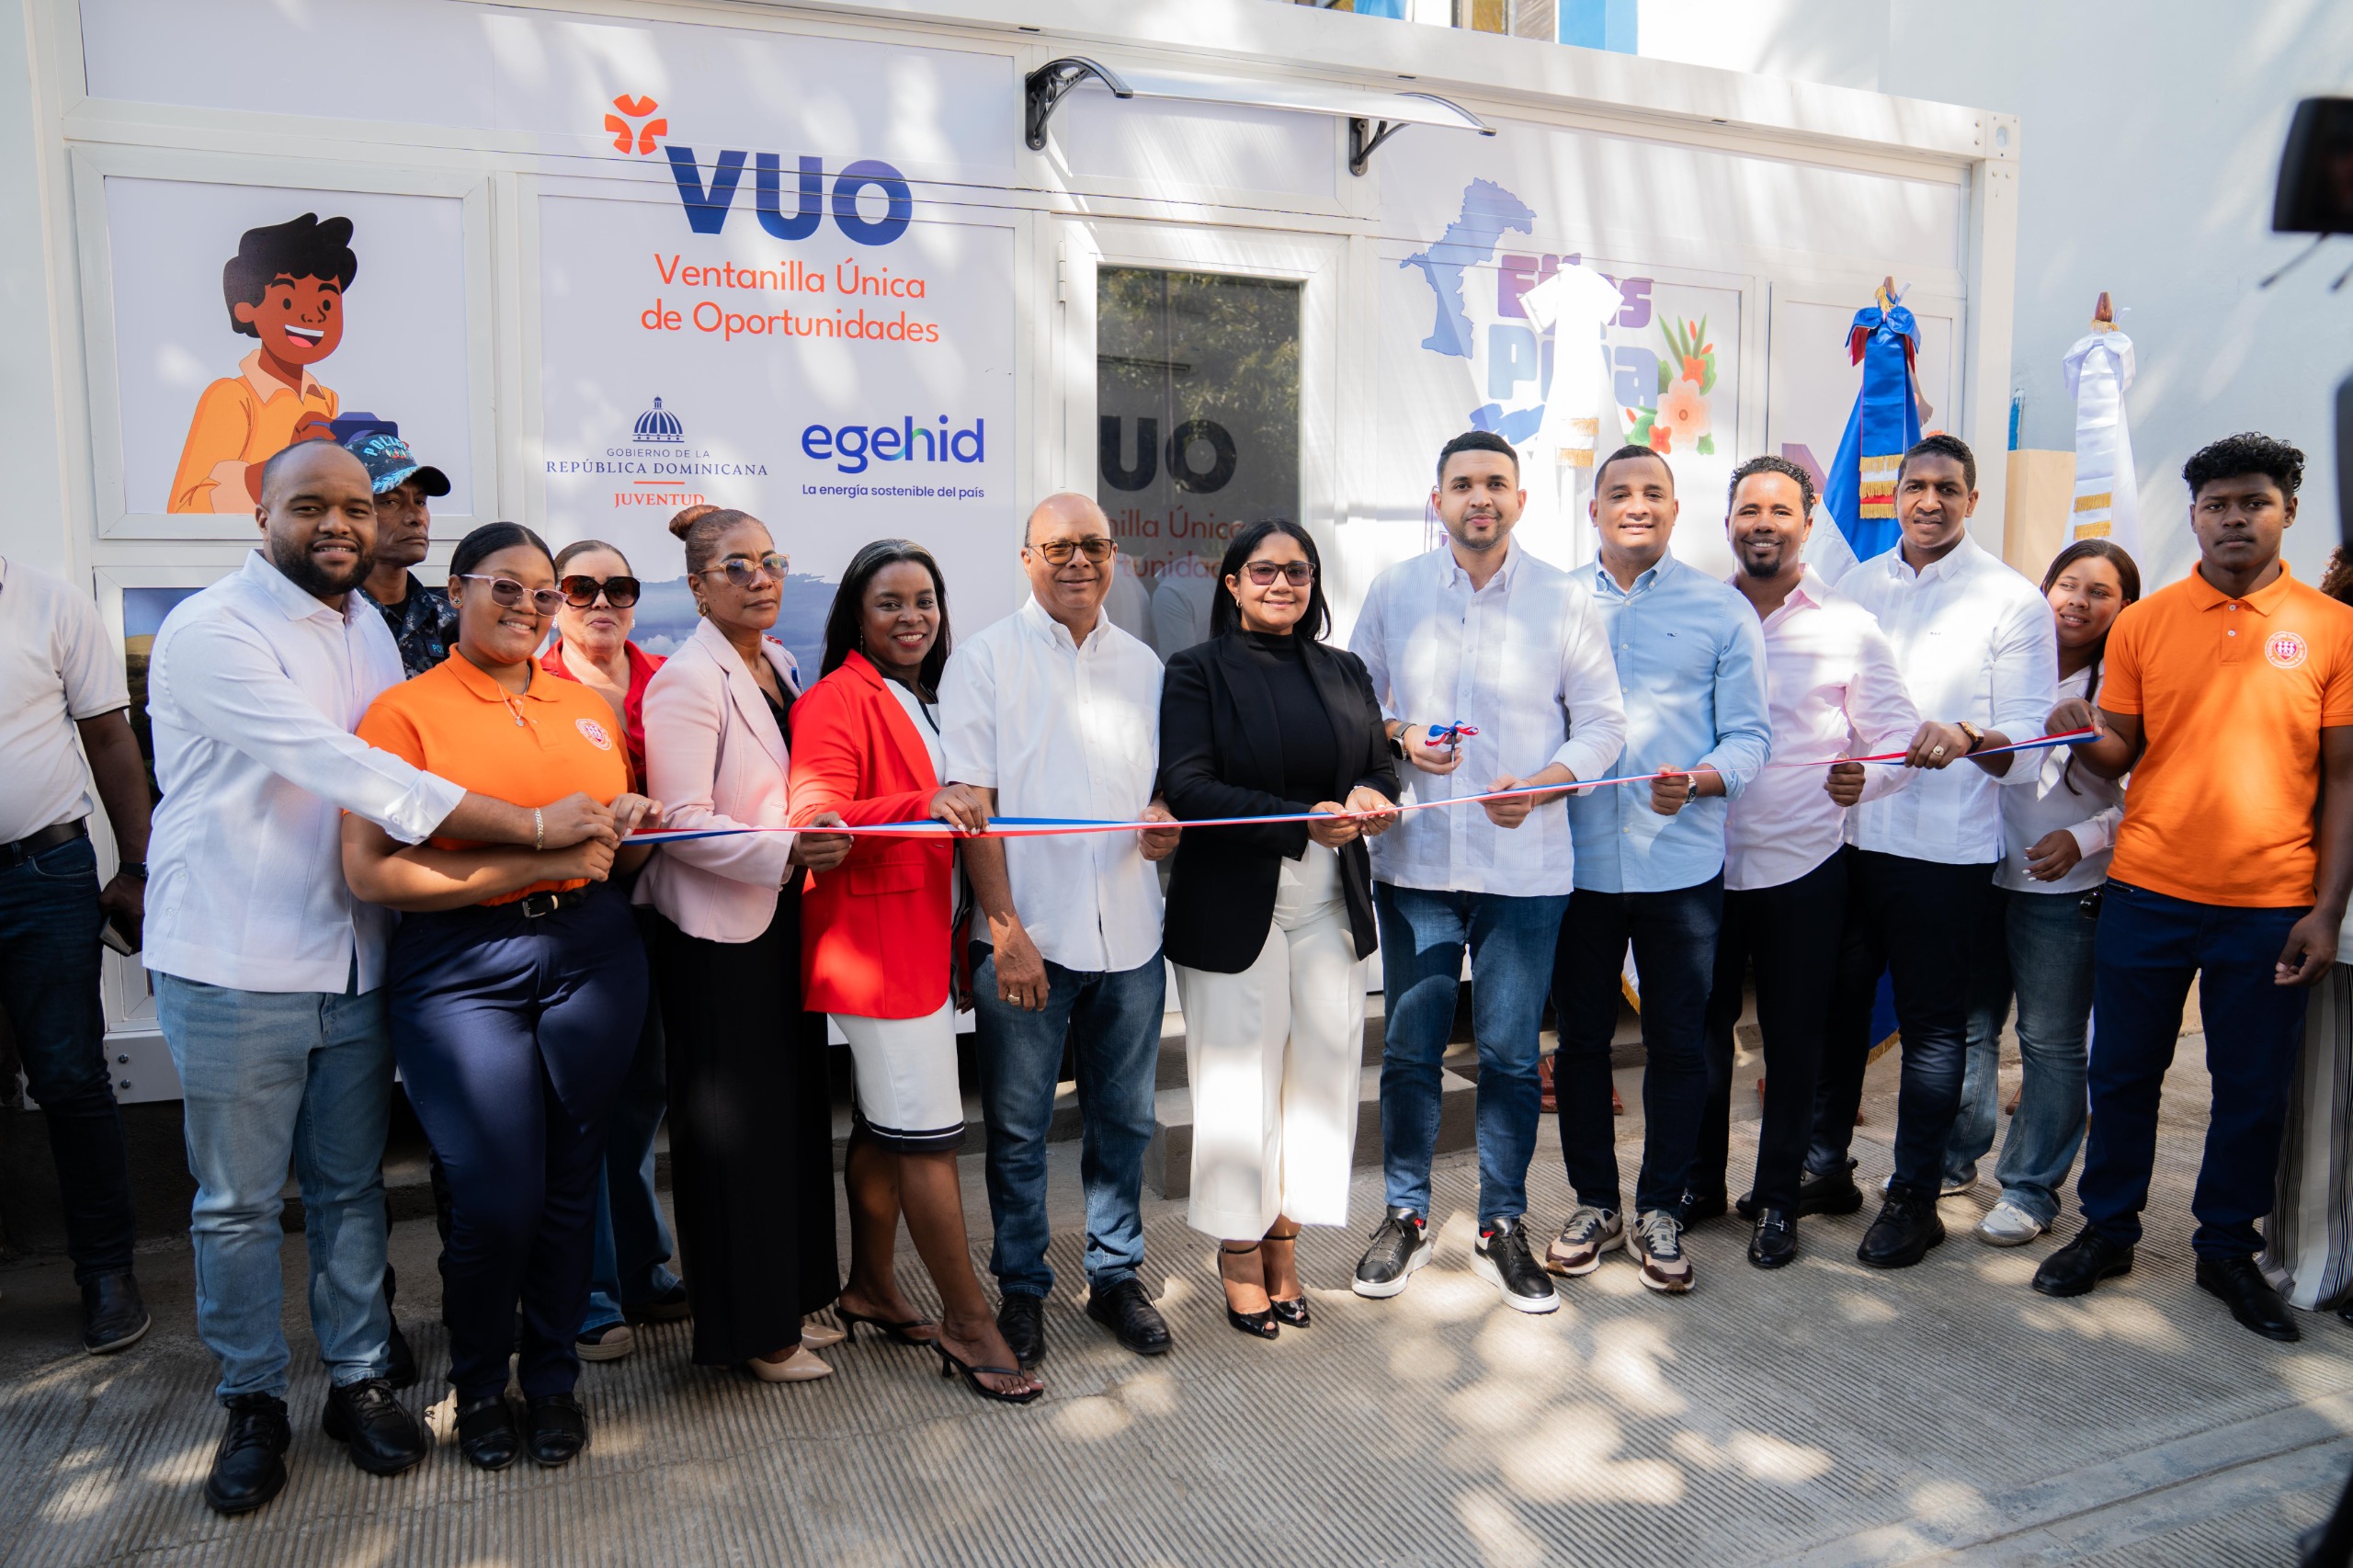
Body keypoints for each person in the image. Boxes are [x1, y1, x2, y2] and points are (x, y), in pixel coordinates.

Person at [145, 440, 603, 1515]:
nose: (340, 524)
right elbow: (355, 771)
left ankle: (358, 1380)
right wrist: (537, 828)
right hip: (234, 961)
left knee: (350, 1190)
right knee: (237, 1204)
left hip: (355, 953)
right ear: (261, 514)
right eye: (312, 505)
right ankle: (253, 1399)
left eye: (356, 506)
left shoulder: (363, 629)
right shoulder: (213, 629)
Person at [344, 521, 661, 1470]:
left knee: (570, 1183)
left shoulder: (585, 705)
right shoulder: (403, 712)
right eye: (504, 587)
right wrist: (531, 857)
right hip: (460, 966)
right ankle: (481, 1384)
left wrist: (629, 820)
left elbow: (608, 843)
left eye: (542, 593)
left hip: (592, 953)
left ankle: (553, 1379)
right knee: (494, 1198)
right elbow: (371, 871)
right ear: (456, 591)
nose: (527, 606)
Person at [2035, 433, 2353, 1345]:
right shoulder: (2144, 623)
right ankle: (2108, 1229)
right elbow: (2118, 755)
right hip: (2147, 891)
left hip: (2270, 903)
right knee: (2122, 1073)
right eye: (2216, 504)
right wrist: (2075, 728)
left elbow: (2343, 779)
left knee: (2248, 1087)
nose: (2233, 519)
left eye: (2253, 502)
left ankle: (2225, 1248)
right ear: (2194, 516)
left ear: (2288, 511)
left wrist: (2325, 910)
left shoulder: (2332, 628)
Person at [1347, 429, 1627, 1313]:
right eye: (1463, 484)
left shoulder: (1563, 600)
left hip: (1525, 869)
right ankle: (1404, 1214)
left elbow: (1605, 724)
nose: (1481, 497)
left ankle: (1502, 1223)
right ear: (1437, 501)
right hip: (1418, 866)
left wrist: (1546, 785)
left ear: (1520, 500)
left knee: (1509, 1058)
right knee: (1409, 1052)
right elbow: (1355, 706)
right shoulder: (1395, 591)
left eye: (1496, 484)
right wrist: (1399, 737)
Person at [790, 539, 1043, 1403]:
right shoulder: (835, 697)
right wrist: (923, 803)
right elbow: (818, 807)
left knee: (882, 1126)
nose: (912, 617)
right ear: (857, 617)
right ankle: (968, 1324)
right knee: (930, 1137)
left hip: (923, 945)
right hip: (876, 954)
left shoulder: (933, 697)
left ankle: (869, 1287)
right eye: (890, 602)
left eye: (925, 600)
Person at [1801, 433, 2057, 1269]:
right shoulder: (1854, 587)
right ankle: (1824, 1167)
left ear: (1971, 500)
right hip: (1846, 840)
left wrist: (1973, 735)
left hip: (1944, 853)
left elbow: (2030, 742)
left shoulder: (2012, 600)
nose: (1930, 501)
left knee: (1935, 1032)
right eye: (1916, 486)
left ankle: (1915, 1196)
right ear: (1895, 495)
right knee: (1837, 1015)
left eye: (1948, 488)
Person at [942, 494, 1181, 1369]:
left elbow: (1162, 787)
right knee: (1017, 1131)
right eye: (1058, 548)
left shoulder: (1145, 666)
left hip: (1132, 937)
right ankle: (1023, 1290)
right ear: (1026, 558)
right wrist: (1005, 931)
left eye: (1094, 545)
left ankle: (1115, 1277)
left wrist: (1163, 816)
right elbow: (975, 810)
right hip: (1028, 940)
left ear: (1114, 557)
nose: (1078, 561)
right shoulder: (984, 661)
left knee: (1125, 1122)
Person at [1160, 520, 1400, 1337]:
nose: (1282, 584)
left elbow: (1378, 766)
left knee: (1321, 1081)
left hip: (1331, 898)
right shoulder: (1195, 671)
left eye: (1297, 571)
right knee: (1239, 1087)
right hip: (1236, 903)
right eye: (1263, 571)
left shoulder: (1345, 670)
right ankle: (1238, 1254)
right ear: (1232, 583)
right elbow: (1189, 787)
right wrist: (1300, 819)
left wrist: (1369, 796)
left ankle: (1285, 1243)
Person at [1549, 446, 1771, 1296]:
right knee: (1580, 1042)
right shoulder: (1554, 602)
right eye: (1619, 493)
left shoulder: (1721, 610)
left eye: (1653, 493)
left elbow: (1749, 736)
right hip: (1573, 866)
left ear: (1676, 511)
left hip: (1680, 867)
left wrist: (1703, 780)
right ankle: (1594, 1204)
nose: (1636, 505)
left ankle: (1661, 1207)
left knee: (1680, 1042)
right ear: (1595, 510)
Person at [637, 509, 852, 1383]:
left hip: (781, 922)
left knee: (791, 1122)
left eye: (770, 561)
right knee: (736, 1142)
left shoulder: (782, 664)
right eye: (736, 566)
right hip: (718, 938)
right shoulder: (686, 681)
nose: (761, 578)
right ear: (697, 586)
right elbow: (680, 824)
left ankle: (790, 1302)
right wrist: (785, 850)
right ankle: (753, 1333)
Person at [1691, 457, 1918, 1270]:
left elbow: (1897, 733)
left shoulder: (1848, 625)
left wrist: (1870, 777)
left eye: (1780, 511)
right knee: (1700, 1038)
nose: (1763, 524)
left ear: (1808, 523)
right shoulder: (1697, 612)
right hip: (1701, 866)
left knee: (1794, 1045)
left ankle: (1779, 1201)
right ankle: (1699, 1186)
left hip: (1802, 865)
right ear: (1728, 523)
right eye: (1749, 510)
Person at [1949, 540, 2137, 1246]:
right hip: (1978, 869)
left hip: (2064, 888)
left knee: (2051, 1042)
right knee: (1968, 1026)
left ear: (2124, 607)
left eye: (2100, 592)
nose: (2078, 601)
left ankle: (2029, 1189)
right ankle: (1951, 1159)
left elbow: (2150, 795)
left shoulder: (2124, 685)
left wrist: (2084, 839)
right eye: (2068, 584)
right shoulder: (2005, 661)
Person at [537, 536, 690, 1362]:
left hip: (667, 913)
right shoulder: (531, 686)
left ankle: (641, 1265)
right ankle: (590, 1291)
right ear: (555, 599)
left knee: (643, 1098)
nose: (601, 602)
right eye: (580, 587)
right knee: (583, 1107)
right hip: (577, 917)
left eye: (619, 587)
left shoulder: (668, 678)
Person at [0, 552, 153, 1352]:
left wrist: (137, 867)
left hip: (43, 870)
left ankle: (105, 1273)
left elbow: (108, 736)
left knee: (68, 1076)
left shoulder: (51, 604)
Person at [2266, 548, 2353, 1322]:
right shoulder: (2331, 636)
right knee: (2330, 1097)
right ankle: (2326, 1258)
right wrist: (2325, 908)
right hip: (2337, 904)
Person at [347, 430, 457, 677]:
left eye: (420, 502)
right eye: (391, 502)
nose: (416, 517)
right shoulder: (329, 617)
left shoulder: (452, 621)